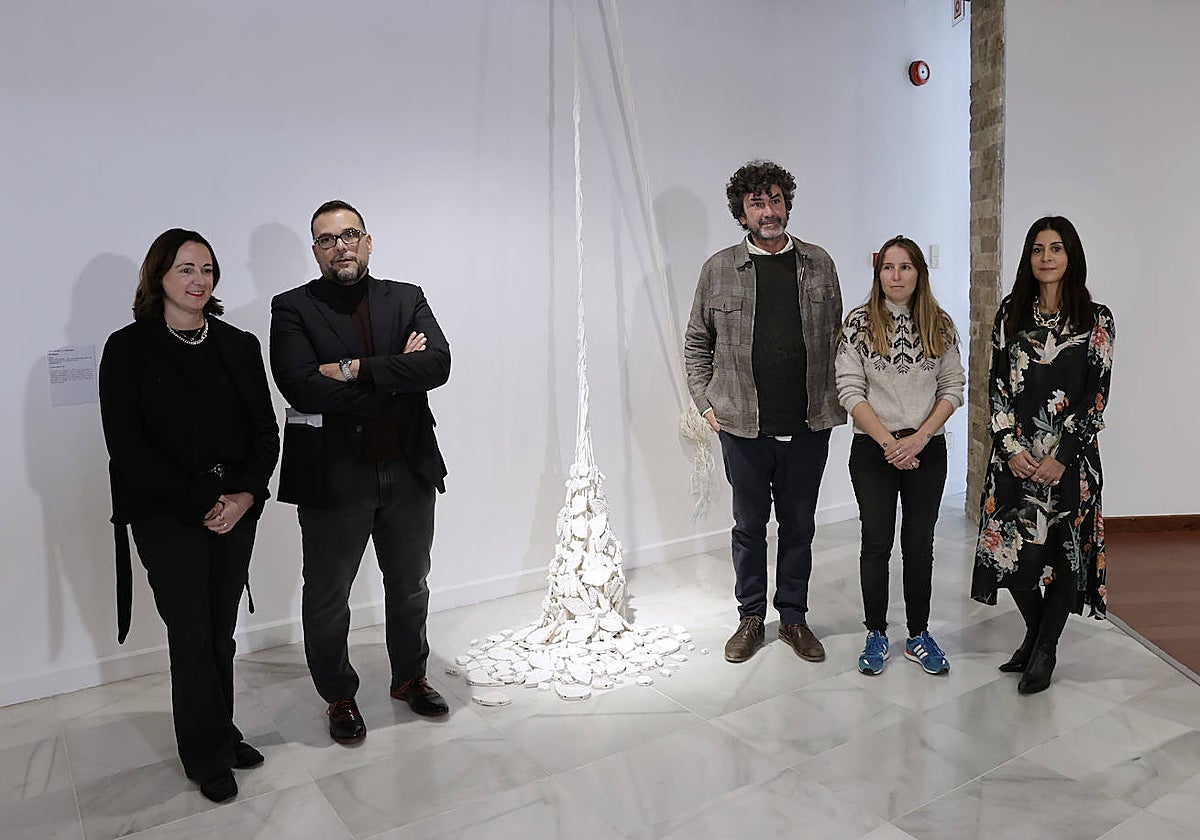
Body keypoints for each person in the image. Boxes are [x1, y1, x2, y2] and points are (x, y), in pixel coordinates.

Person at [99, 229, 280, 803]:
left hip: (235, 508)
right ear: (158, 276)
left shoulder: (238, 344)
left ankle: (222, 732)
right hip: (166, 513)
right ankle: (206, 754)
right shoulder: (127, 347)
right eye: (185, 269)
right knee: (192, 632)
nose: (198, 280)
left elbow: (265, 431)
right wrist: (199, 502)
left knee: (220, 630)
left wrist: (244, 496)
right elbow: (126, 447)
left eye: (206, 269)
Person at [270, 200, 451, 744]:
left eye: (349, 235)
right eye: (327, 240)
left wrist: (352, 370)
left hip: (408, 468)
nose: (340, 247)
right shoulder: (293, 307)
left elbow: (437, 364)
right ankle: (338, 695)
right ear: (315, 251)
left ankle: (410, 677)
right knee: (328, 595)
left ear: (367, 241)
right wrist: (396, 379)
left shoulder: (407, 297)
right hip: (333, 476)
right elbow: (300, 386)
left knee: (410, 584)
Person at [684, 160, 846, 664]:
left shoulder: (819, 263)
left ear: (787, 205)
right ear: (741, 214)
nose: (768, 211)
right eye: (757, 203)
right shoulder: (718, 269)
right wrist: (706, 404)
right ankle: (751, 617)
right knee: (748, 528)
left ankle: (793, 618)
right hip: (741, 427)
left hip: (808, 424)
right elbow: (696, 342)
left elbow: (839, 339)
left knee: (799, 527)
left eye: (775, 200)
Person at [971, 216, 1114, 695]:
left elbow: (1096, 397)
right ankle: (1035, 635)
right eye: (1037, 249)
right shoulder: (1010, 313)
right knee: (1012, 556)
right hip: (1015, 462)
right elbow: (996, 387)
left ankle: (1045, 649)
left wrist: (1062, 456)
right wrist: (1010, 448)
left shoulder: (1097, 320)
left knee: (1064, 556)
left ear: (1071, 256)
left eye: (1055, 248)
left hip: (1069, 464)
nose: (1046, 257)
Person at [835, 236, 965, 676]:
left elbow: (953, 387)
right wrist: (890, 444)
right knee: (876, 543)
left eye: (905, 267)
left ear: (919, 273)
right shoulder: (858, 324)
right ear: (878, 274)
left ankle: (918, 635)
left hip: (926, 449)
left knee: (919, 545)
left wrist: (920, 439)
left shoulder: (940, 325)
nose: (896, 276)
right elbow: (849, 390)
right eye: (888, 267)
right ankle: (875, 632)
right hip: (873, 451)